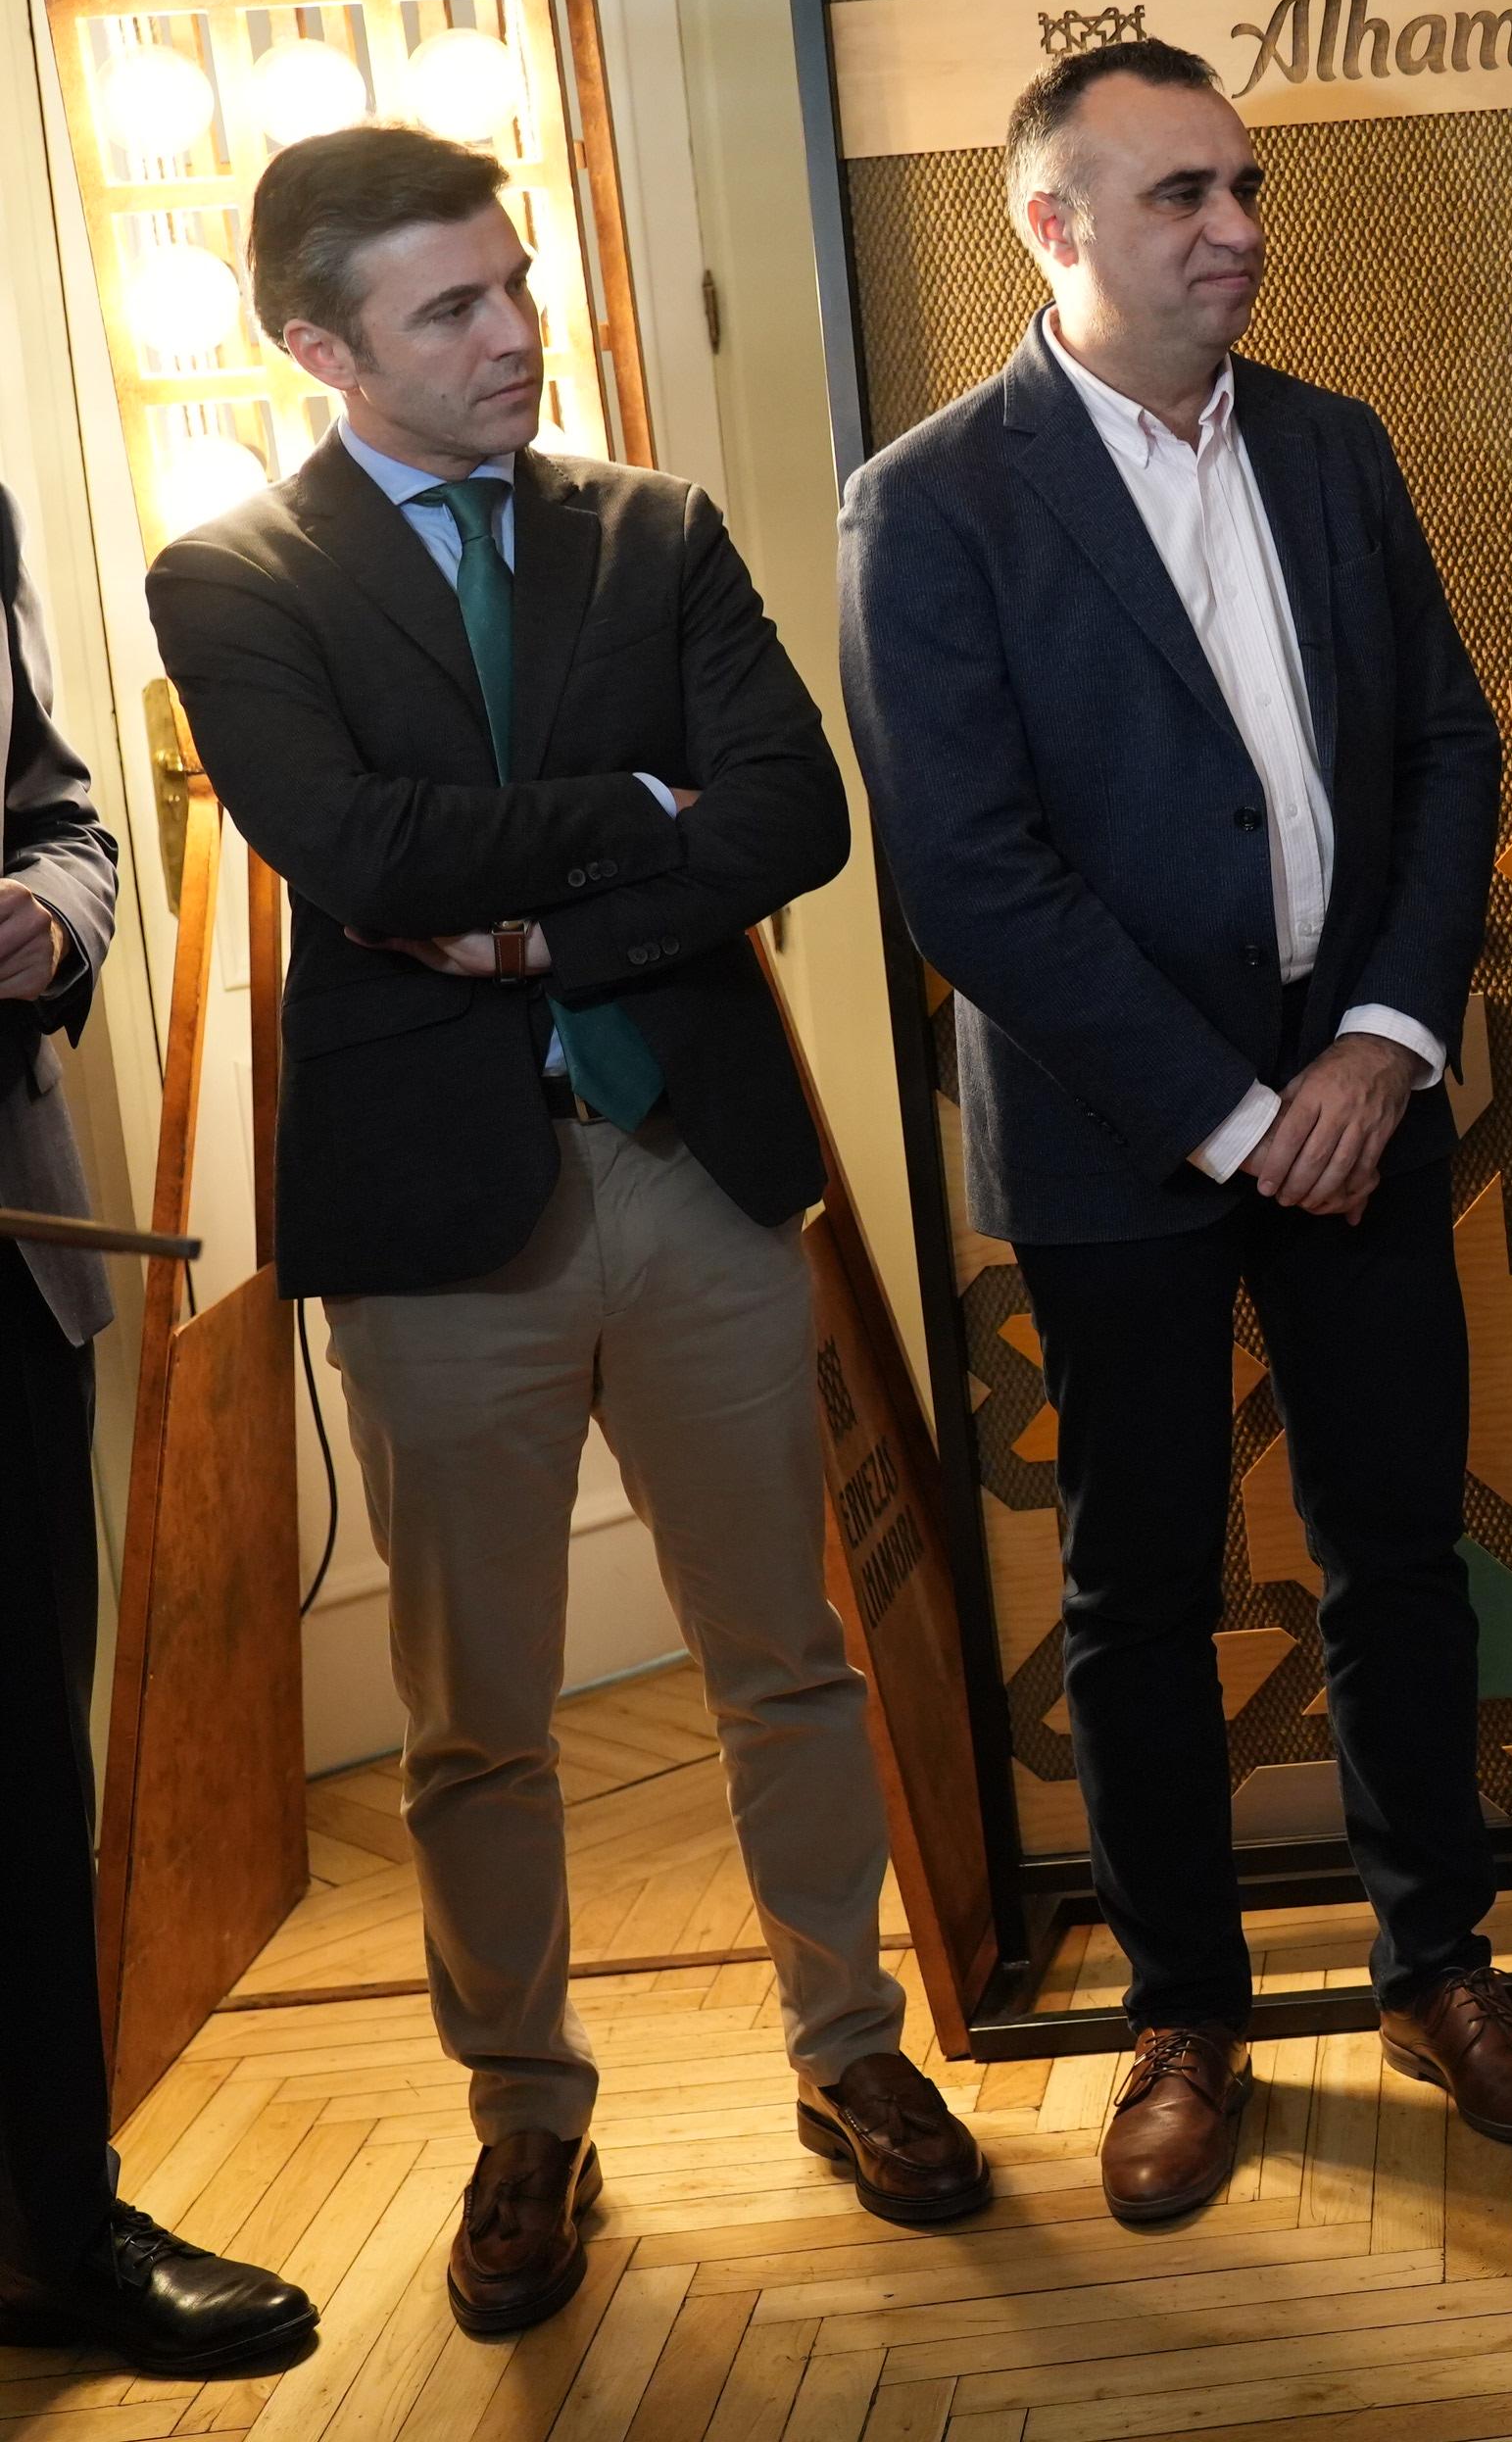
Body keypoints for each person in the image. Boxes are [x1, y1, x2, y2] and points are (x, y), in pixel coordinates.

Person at [148, 125, 984, 2342]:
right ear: (318, 343)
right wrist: (631, 821)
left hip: (689, 1167)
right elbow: (352, 847)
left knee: (779, 1657)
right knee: (475, 1723)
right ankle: (527, 2113)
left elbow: (796, 816)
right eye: (449, 309)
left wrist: (530, 922)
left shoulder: (659, 533)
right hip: (437, 1221)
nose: (513, 332)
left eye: (512, 286)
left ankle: (850, 2049)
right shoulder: (230, 576)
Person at [839, 39, 1512, 2216]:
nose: (1235, 226)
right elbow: (966, 875)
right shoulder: (938, 496)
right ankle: (1187, 2019)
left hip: (1357, 1096)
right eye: (1177, 195)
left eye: (1241, 185)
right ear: (1050, 227)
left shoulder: (1339, 452)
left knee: (1398, 1559)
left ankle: (1438, 1972)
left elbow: (1447, 753)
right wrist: (1241, 1117)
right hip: (1117, 1133)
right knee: (1139, 1589)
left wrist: (1371, 1043)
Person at [0, 479, 314, 2376]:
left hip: (8, 1259)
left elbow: (58, 806)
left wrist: (50, 910)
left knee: (25, 1783)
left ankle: (52, 2224)